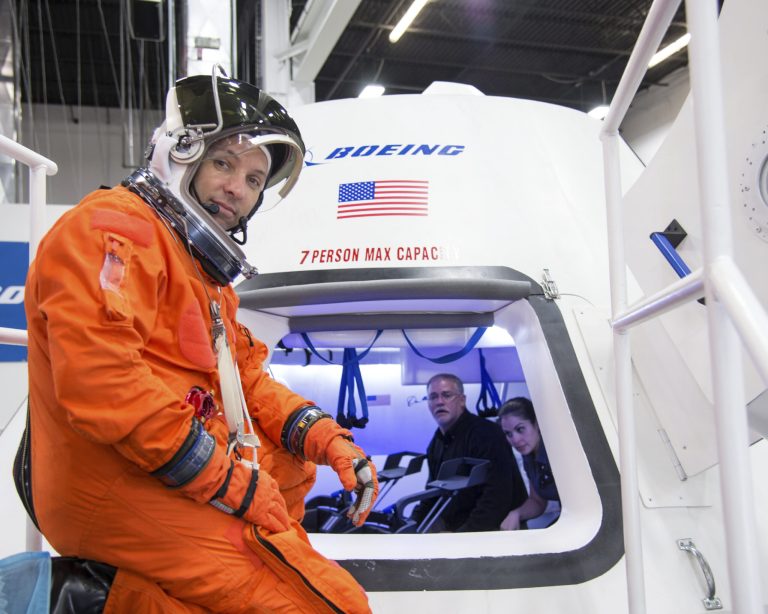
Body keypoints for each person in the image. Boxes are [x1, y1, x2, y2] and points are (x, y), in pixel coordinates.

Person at [23, 71, 378, 613]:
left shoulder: (198, 273)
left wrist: (328, 440)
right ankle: (91, 599)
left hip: (165, 466)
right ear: (180, 155)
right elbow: (105, 389)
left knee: (294, 475)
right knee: (325, 605)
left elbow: (247, 380)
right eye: (224, 164)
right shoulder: (109, 232)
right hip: (113, 481)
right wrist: (231, 484)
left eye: (256, 180)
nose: (238, 189)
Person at [412, 373, 527, 532]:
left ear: (462, 400)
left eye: (447, 395)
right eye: (433, 397)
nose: (439, 402)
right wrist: (410, 525)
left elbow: (497, 497)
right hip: (458, 528)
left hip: (496, 530)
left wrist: (463, 538)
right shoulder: (436, 443)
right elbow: (433, 493)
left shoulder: (486, 434)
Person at [498, 397, 560, 530]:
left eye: (520, 429)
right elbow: (538, 502)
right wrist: (516, 514)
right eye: (508, 434)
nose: (515, 439)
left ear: (537, 424)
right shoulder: (529, 456)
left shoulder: (558, 452)